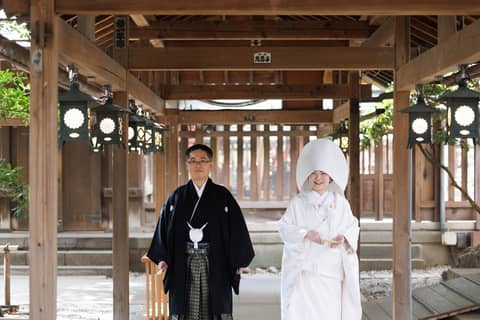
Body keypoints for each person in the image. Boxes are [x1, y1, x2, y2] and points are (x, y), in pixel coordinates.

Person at [147, 143, 255, 320]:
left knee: (214, 309)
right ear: (187, 165)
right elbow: (164, 229)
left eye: (203, 161)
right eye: (193, 161)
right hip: (184, 262)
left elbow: (237, 229)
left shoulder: (223, 196)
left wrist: (239, 260)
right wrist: (162, 257)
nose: (198, 165)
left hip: (215, 261)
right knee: (186, 308)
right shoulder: (176, 197)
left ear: (211, 165)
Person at [279, 138, 362, 320]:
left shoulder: (340, 203)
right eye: (314, 173)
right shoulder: (297, 203)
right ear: (308, 176)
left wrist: (344, 238)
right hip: (305, 274)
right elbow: (285, 228)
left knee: (329, 313)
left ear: (331, 176)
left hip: (330, 272)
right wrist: (305, 234)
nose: (318, 178)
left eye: (323, 173)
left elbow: (352, 226)